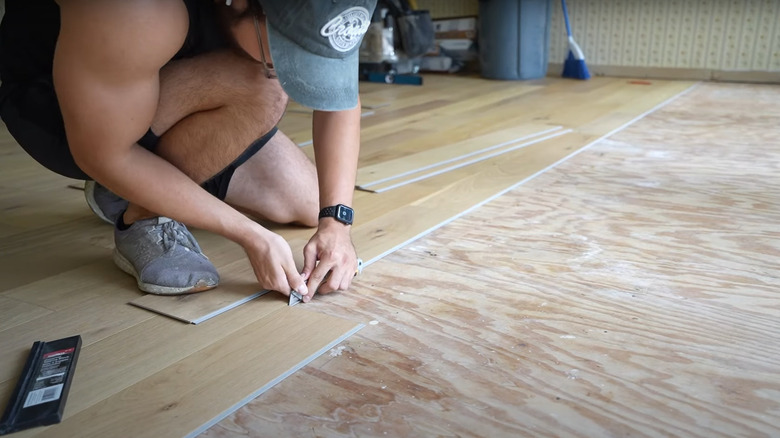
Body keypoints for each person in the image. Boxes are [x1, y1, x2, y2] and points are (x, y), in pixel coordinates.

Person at [0, 0, 376, 303]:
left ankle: (126, 187)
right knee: (265, 87)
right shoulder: (137, 10)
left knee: (310, 200)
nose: (295, 72)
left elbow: (340, 100)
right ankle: (139, 215)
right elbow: (103, 155)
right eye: (286, 51)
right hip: (67, 111)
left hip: (171, 72)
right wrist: (249, 234)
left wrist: (336, 223)